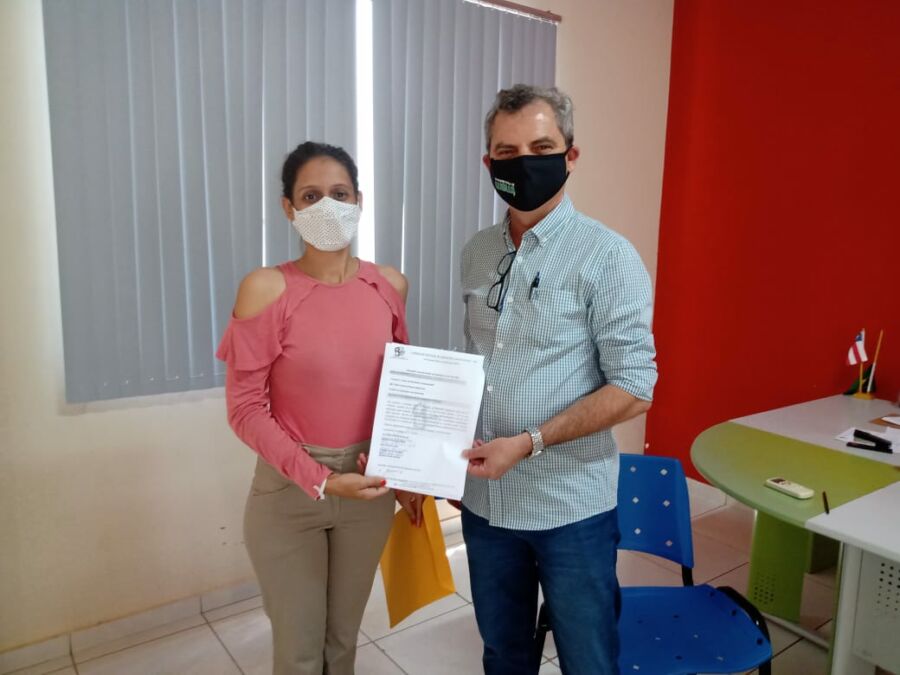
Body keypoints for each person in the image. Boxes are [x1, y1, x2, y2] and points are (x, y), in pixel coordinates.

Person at [458, 85, 658, 674]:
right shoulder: (476, 252)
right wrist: (442, 454)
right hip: (486, 505)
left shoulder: (608, 256)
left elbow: (635, 387)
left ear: (571, 155)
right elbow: (476, 362)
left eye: (542, 147)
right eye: (507, 151)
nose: (524, 162)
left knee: (588, 660)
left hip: (570, 508)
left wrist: (530, 442)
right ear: (488, 163)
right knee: (504, 654)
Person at [216, 141, 424, 675]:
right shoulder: (267, 288)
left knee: (342, 642)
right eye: (311, 196)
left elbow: (399, 388)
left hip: (368, 487)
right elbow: (244, 409)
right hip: (290, 493)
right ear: (288, 207)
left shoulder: (389, 285)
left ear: (359, 200)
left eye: (340, 193)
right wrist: (322, 479)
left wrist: (408, 473)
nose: (328, 206)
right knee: (300, 652)